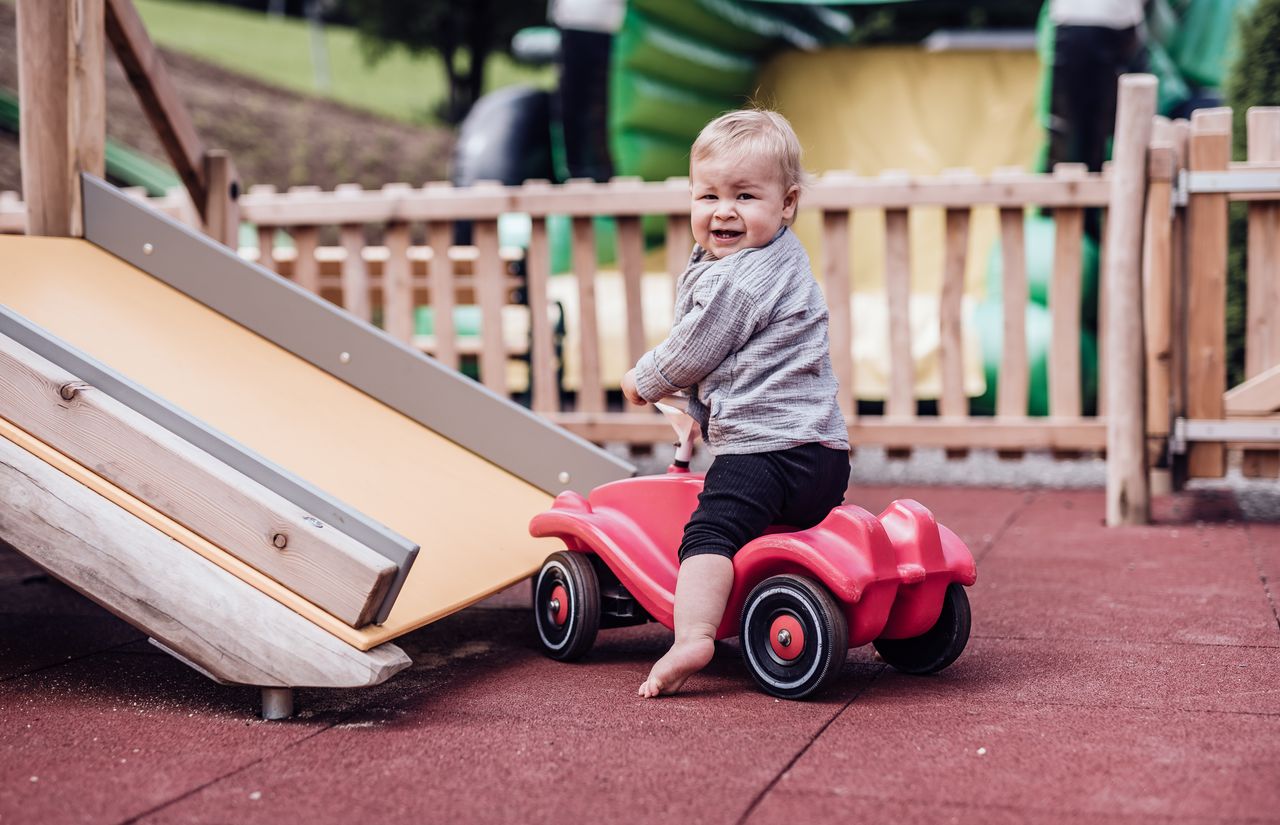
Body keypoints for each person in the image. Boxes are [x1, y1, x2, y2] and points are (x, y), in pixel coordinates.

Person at [620, 109, 851, 698]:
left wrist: (644, 380)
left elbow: (694, 351)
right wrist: (697, 415)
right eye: (708, 196)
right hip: (825, 456)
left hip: (765, 453)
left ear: (787, 202)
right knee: (762, 524)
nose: (723, 211)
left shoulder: (737, 281)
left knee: (710, 533)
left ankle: (694, 634)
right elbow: (742, 367)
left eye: (745, 196)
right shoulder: (784, 256)